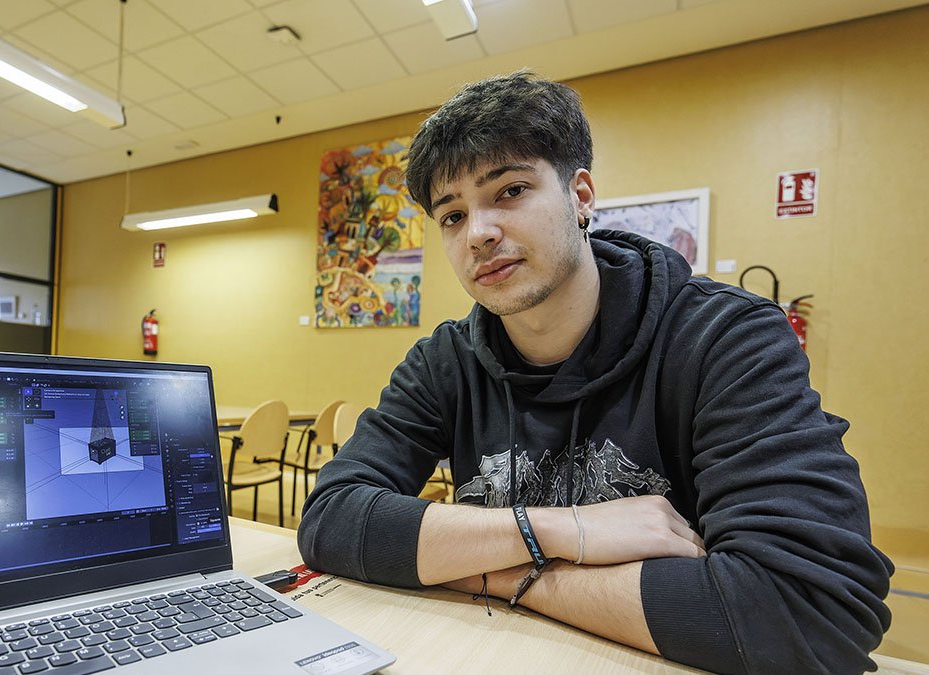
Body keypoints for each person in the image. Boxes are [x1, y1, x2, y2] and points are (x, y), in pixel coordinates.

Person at [296, 71, 892, 674]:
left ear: (581, 197)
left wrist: (492, 571)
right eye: (451, 216)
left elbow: (811, 612)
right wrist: (559, 531)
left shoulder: (726, 339)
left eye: (509, 191)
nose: (478, 233)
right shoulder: (443, 361)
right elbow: (330, 519)